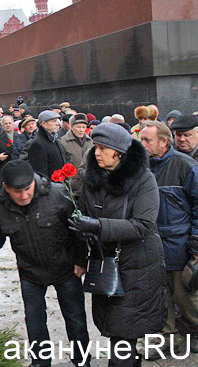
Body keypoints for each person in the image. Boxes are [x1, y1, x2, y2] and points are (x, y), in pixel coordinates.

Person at [0, 160, 89, 367]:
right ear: (6, 188)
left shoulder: (58, 195)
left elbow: (78, 231)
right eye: (17, 192)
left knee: (75, 319)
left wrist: (80, 260)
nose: (23, 196)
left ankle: (82, 361)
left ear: (34, 182)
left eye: (27, 189)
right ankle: (40, 362)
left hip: (65, 268)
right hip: (30, 273)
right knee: (35, 322)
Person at [71, 123, 166, 366]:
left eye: (103, 148)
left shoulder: (143, 179)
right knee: (116, 328)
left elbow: (143, 225)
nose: (96, 152)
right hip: (105, 264)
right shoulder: (92, 178)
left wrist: (98, 226)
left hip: (137, 266)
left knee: (124, 333)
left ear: (119, 152)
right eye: (96, 147)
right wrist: (81, 256)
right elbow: (84, 216)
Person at [141, 121, 198, 357]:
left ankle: (195, 332)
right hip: (151, 244)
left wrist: (196, 243)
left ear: (164, 142)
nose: (142, 144)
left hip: (179, 243)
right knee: (159, 297)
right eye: (141, 139)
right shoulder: (141, 167)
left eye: (147, 140)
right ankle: (166, 339)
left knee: (185, 296)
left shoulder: (186, 166)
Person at [60, 113, 93, 194]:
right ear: (71, 126)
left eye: (84, 127)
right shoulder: (62, 142)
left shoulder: (91, 142)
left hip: (89, 186)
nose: (81, 130)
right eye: (78, 127)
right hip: (72, 187)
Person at [28, 111, 66, 177]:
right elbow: (40, 172)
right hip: (51, 185)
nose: (58, 124)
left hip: (60, 183)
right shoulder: (38, 144)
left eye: (58, 121)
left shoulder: (55, 139)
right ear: (44, 124)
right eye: (54, 121)